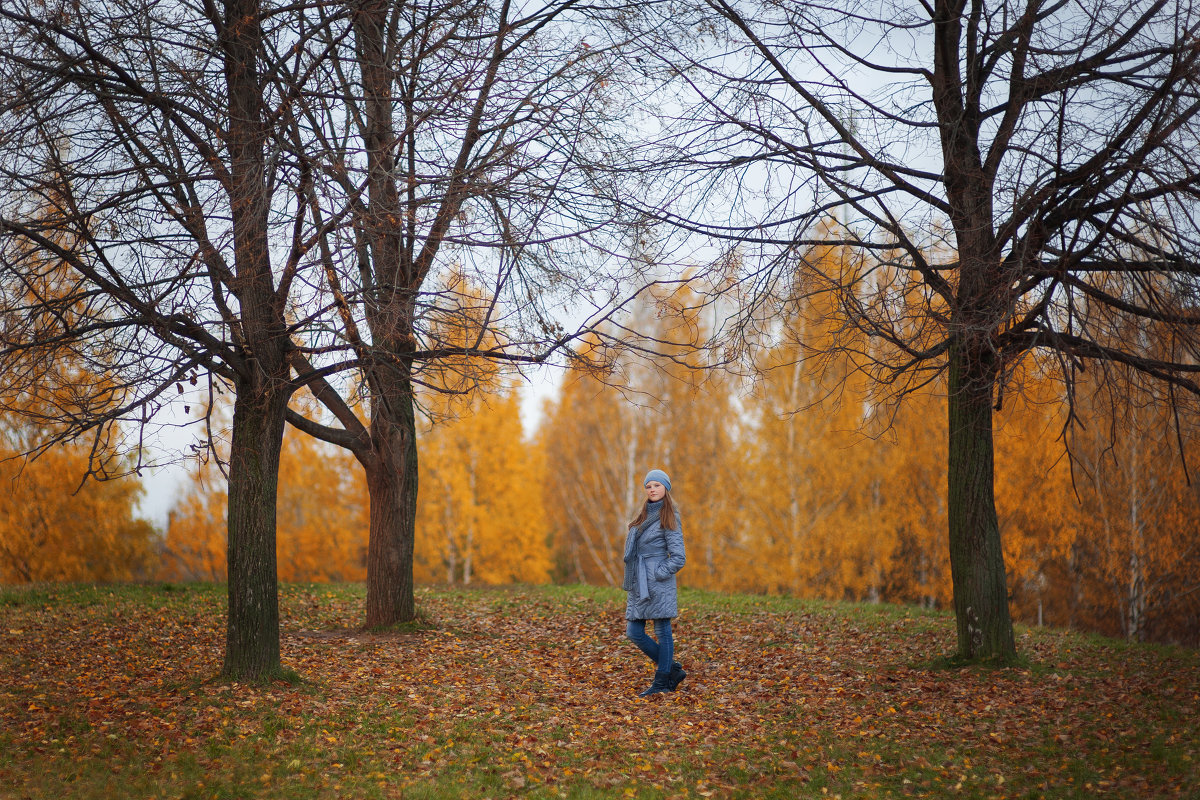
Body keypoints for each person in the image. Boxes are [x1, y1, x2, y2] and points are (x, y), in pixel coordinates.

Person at [623, 468, 687, 697]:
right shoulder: (644, 515)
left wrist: (659, 573)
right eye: (648, 486)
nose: (652, 489)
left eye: (657, 485)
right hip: (639, 581)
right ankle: (671, 669)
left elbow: (679, 556)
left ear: (666, 488)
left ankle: (661, 681)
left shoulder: (669, 515)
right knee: (633, 631)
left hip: (657, 581)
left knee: (662, 629)